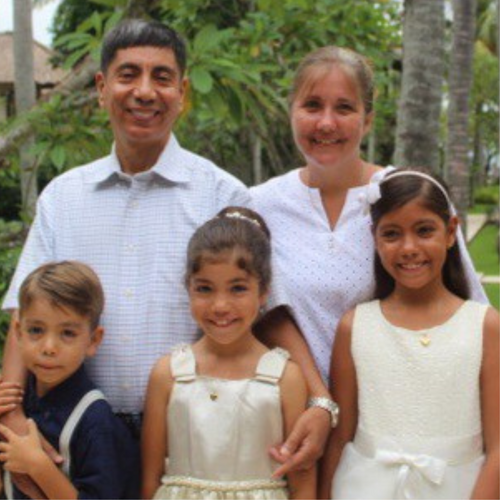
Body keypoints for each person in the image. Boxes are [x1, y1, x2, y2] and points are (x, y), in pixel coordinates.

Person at [2, 20, 336, 481]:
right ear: (101, 88)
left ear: (181, 93)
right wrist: (13, 416)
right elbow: (25, 314)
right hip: (72, 432)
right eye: (128, 75)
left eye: (161, 77)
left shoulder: (222, 194)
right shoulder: (63, 197)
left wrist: (319, 398)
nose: (144, 91)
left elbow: (264, 307)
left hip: (194, 434)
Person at [250, 46, 487, 424]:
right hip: (290, 418)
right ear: (291, 111)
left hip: (399, 419)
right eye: (312, 106)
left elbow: (471, 311)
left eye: (344, 108)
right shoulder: (260, 205)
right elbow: (257, 310)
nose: (326, 123)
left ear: (368, 120)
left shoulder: (405, 196)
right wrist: (318, 398)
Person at [318, 169, 499, 499]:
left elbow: (498, 446)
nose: (409, 248)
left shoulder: (484, 326)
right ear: (375, 238)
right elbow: (341, 437)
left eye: (424, 230)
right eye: (392, 234)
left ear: (450, 232)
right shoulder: (355, 327)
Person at [141, 207, 316, 500]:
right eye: (205, 289)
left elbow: (303, 485)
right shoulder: (167, 374)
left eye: (237, 288)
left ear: (263, 292)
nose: (220, 306)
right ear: (188, 288)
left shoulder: (287, 378)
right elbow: (150, 481)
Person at [0, 261, 140, 499]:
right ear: (18, 331)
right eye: (36, 330)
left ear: (93, 340)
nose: (49, 347)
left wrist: (39, 466)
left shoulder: (96, 421)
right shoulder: (14, 404)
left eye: (67, 333)